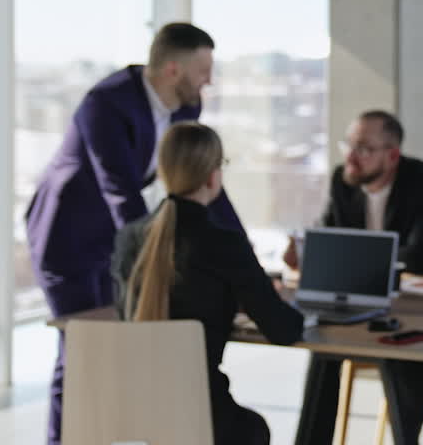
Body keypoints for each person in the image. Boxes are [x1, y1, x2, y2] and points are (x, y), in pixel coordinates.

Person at [25, 22, 243, 445]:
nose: (209, 81)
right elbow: (118, 190)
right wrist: (153, 252)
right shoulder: (105, 104)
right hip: (66, 237)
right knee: (83, 351)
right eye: (204, 70)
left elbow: (203, 179)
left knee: (120, 349)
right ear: (173, 70)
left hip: (116, 238)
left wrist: (242, 251)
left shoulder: (185, 107)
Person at [112, 122, 302, 445]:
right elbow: (284, 330)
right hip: (204, 414)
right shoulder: (224, 243)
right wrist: (287, 302)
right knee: (254, 430)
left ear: (163, 173)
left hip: (137, 409)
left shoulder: (129, 238)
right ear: (213, 176)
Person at [288, 110, 423, 445]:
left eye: (363, 148)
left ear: (392, 155)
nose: (350, 156)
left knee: (402, 356)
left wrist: (359, 259)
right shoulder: (342, 180)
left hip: (412, 308)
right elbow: (331, 242)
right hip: (356, 301)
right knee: (323, 345)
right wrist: (307, 254)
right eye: (348, 144)